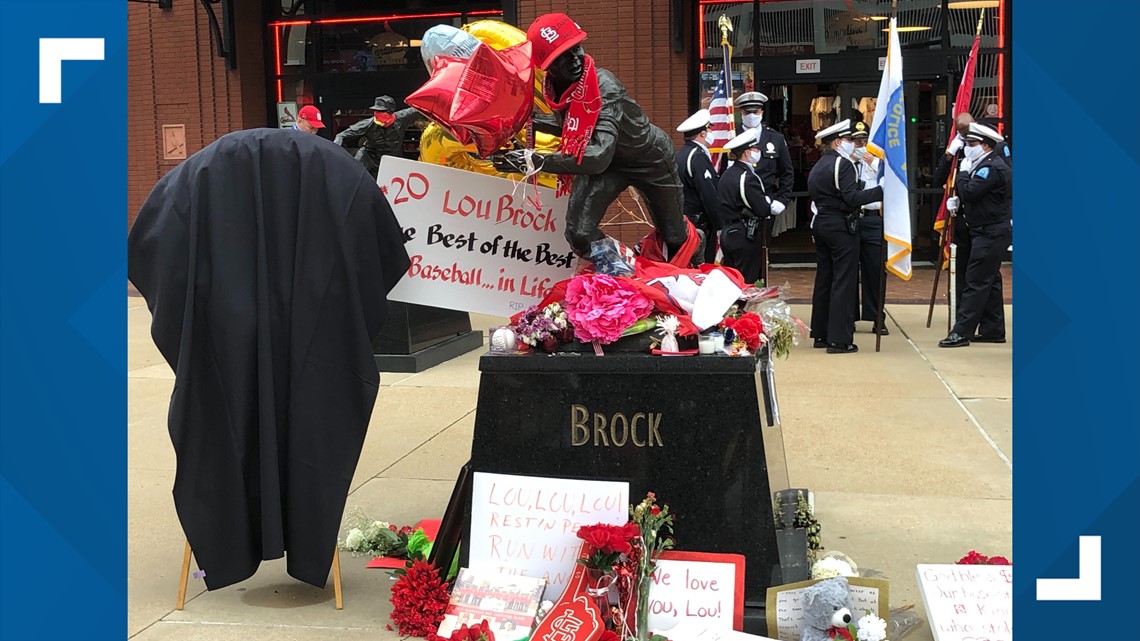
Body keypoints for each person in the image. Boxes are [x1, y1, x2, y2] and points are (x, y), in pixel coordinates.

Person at [127, 129, 410, 590]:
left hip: (221, 330)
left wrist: (203, 318)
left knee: (221, 422)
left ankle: (230, 544)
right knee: (314, 423)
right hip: (315, 337)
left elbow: (152, 243)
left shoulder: (195, 178)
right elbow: (380, 248)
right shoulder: (333, 171)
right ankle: (302, 541)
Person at [495, 13, 691, 268]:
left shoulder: (603, 85)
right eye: (562, 56)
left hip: (648, 159)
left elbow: (598, 155)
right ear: (547, 65)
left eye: (576, 48)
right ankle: (627, 272)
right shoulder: (556, 88)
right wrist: (514, 122)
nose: (575, 58)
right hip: (607, 163)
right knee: (579, 233)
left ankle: (695, 268)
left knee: (674, 236)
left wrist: (532, 160)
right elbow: (572, 127)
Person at [807, 119, 884, 354]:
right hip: (839, 226)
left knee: (826, 278)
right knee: (843, 280)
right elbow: (851, 197)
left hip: (822, 223)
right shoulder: (843, 164)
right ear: (838, 142)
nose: (854, 145)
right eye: (850, 140)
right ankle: (840, 339)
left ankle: (821, 332)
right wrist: (882, 190)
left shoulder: (821, 164)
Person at [939, 123, 1012, 347]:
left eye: (972, 144)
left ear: (986, 146)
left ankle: (961, 332)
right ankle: (993, 328)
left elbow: (970, 192)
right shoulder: (985, 165)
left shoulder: (988, 168)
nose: (967, 149)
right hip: (986, 229)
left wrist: (961, 174)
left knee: (976, 281)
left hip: (990, 232)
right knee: (990, 280)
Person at [716, 129, 772, 285]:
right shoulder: (747, 178)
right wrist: (767, 202)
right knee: (747, 283)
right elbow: (763, 209)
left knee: (732, 281)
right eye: (756, 149)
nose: (758, 152)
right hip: (745, 234)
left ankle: (734, 309)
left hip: (729, 232)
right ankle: (743, 310)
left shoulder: (727, 174)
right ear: (747, 152)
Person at [849, 121, 888, 336]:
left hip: (873, 219)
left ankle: (877, 317)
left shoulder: (880, 163)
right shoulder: (845, 163)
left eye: (864, 142)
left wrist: (873, 163)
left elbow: (888, 185)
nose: (860, 146)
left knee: (874, 271)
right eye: (856, 142)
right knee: (849, 272)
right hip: (853, 219)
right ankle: (849, 316)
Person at [675, 109, 724, 264]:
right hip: (698, 224)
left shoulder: (682, 153)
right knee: (702, 266)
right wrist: (720, 224)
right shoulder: (697, 156)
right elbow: (708, 193)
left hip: (686, 221)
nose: (711, 133)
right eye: (709, 129)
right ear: (703, 134)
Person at [333, 95, 425, 179]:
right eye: (376, 111)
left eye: (381, 111)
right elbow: (342, 135)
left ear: (390, 112)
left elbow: (420, 109)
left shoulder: (402, 118)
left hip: (391, 159)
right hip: (369, 157)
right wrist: (335, 149)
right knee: (354, 171)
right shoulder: (368, 123)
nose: (377, 114)